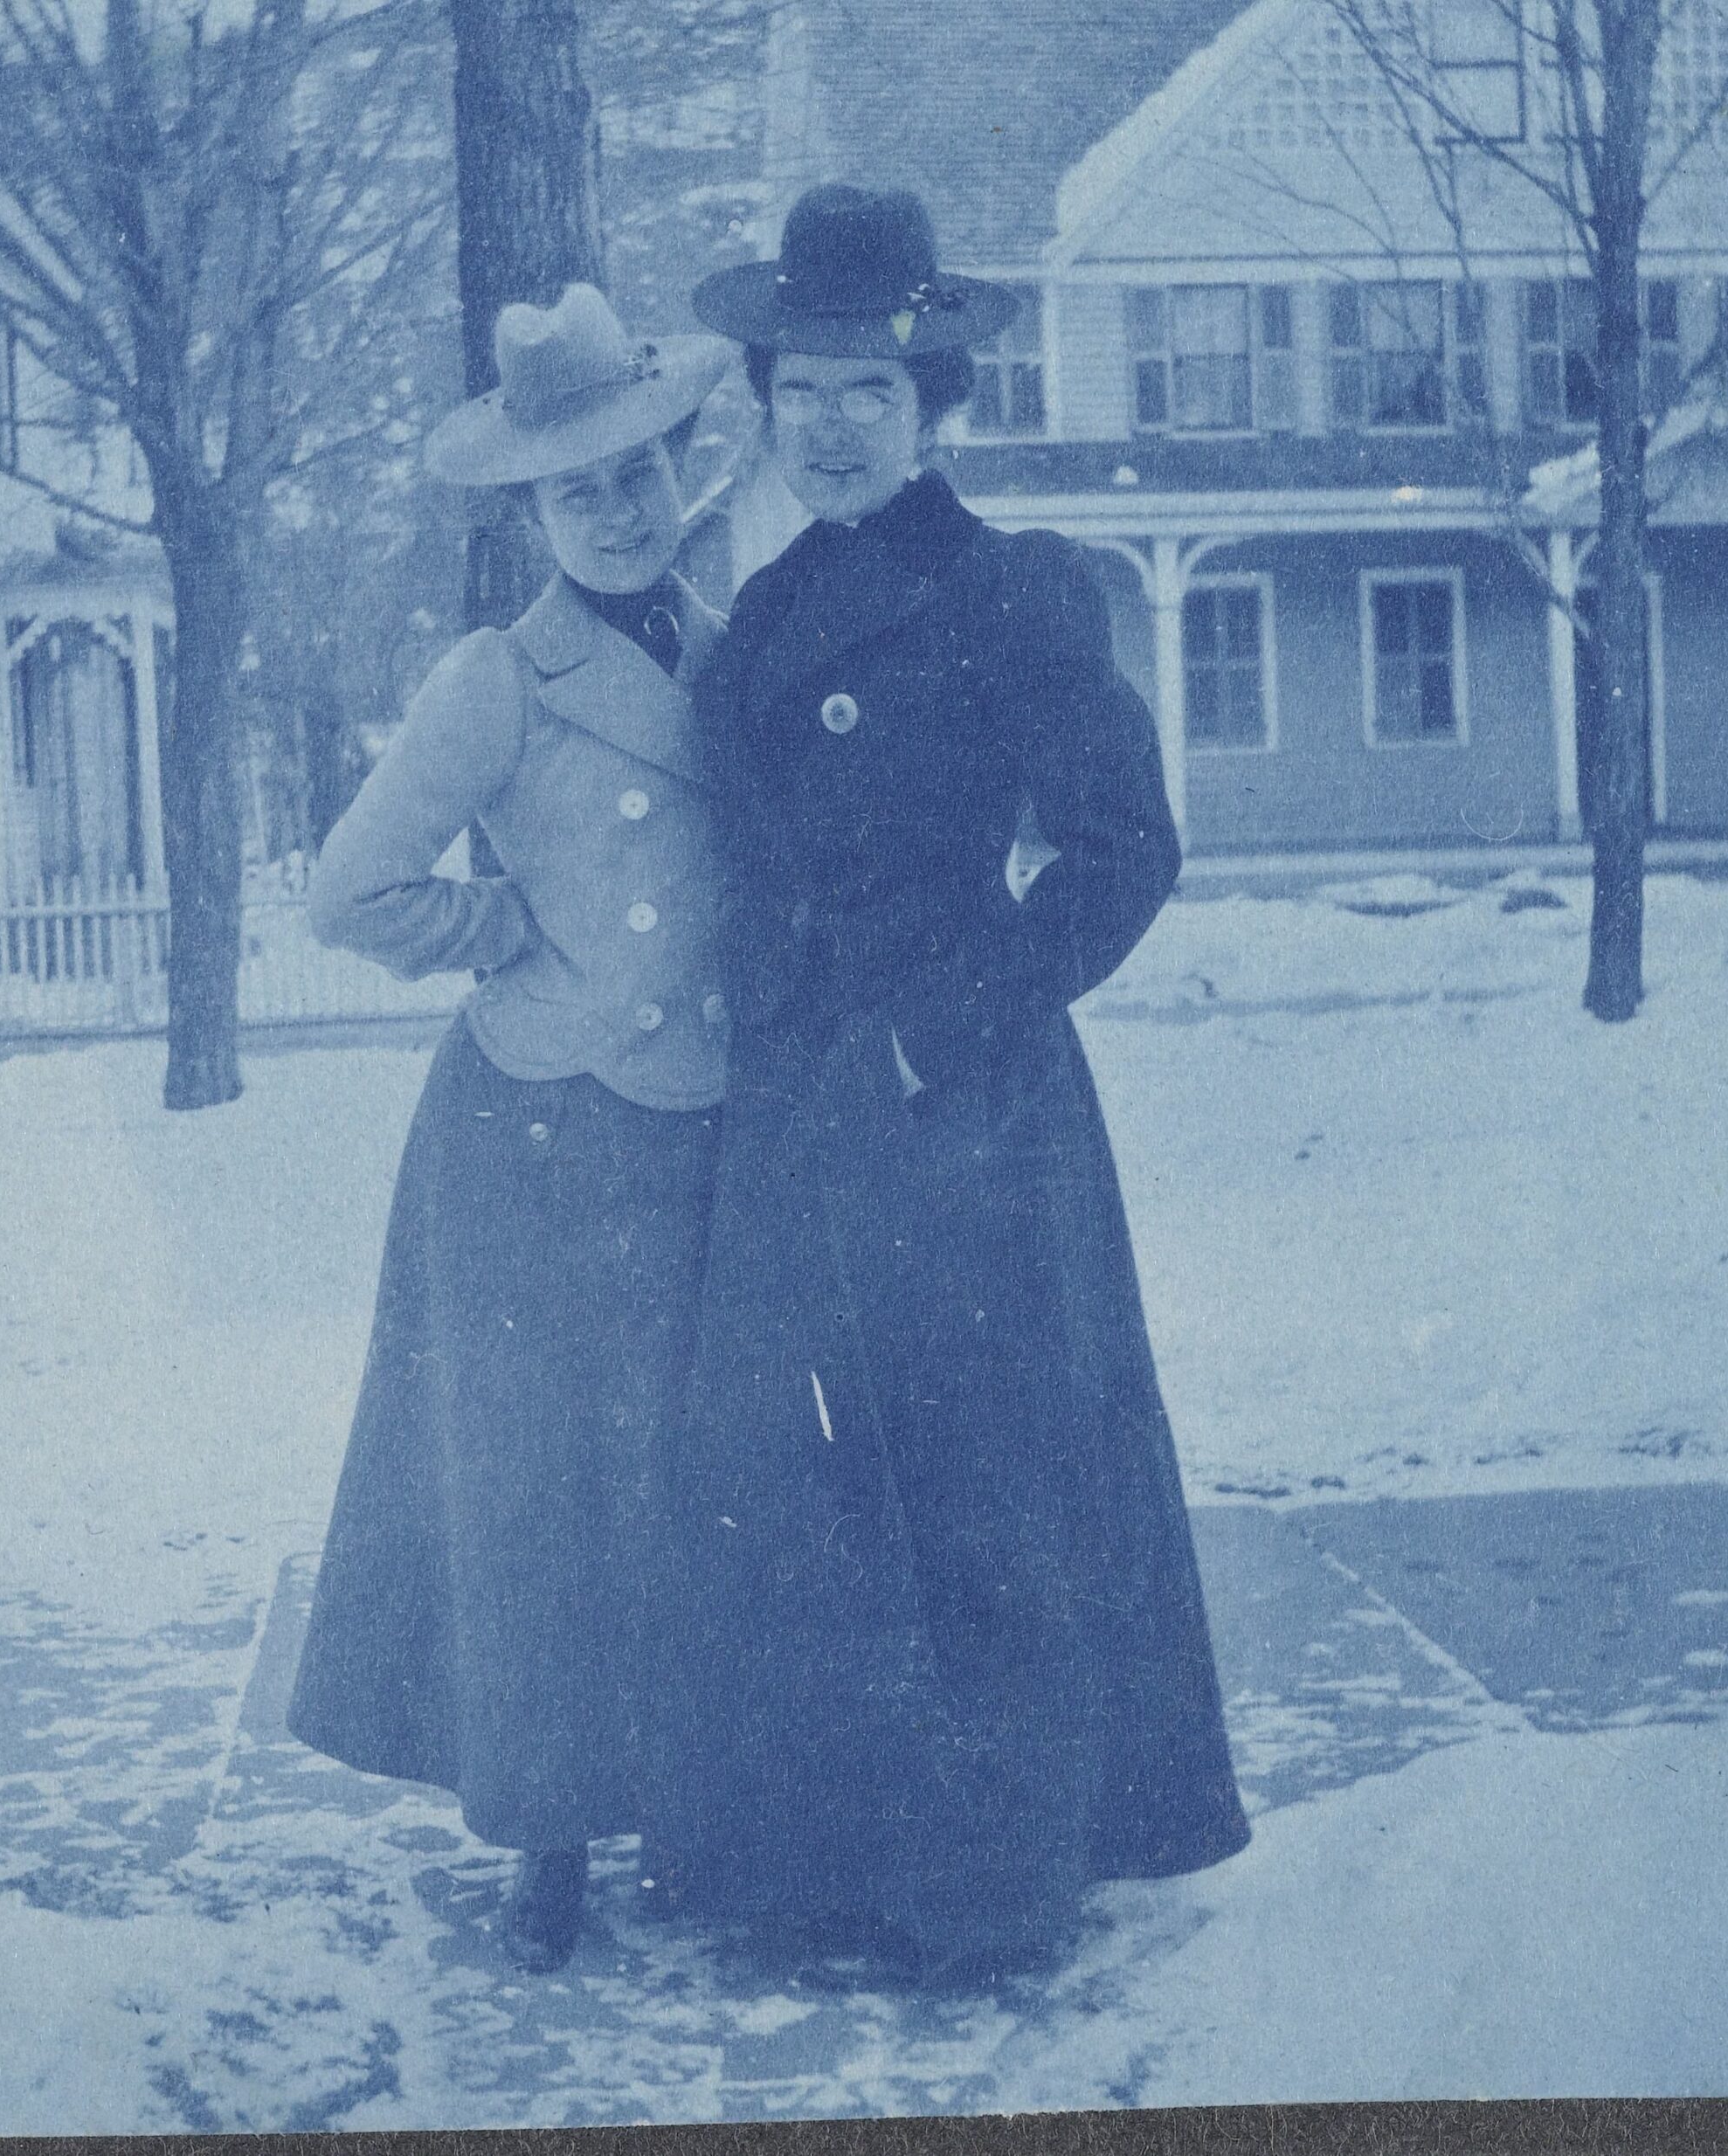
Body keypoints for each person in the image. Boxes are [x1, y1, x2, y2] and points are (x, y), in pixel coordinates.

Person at [638, 185, 1250, 1980]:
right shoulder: (759, 608)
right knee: (803, 1488)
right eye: (802, 387)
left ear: (928, 402)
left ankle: (991, 1888)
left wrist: (930, 1034)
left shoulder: (1007, 590)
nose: (831, 421)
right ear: (761, 396)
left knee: (981, 1486)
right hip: (787, 1114)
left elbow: (1122, 852)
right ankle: (824, 1868)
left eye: (869, 389)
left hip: (958, 1107)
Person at [287, 284, 735, 1974]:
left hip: (704, 1124)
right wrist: (504, 936)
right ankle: (548, 1835)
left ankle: (689, 1808)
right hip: (538, 1132)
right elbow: (350, 889)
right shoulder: (500, 675)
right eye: (576, 491)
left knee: (694, 1476)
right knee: (541, 1495)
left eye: (637, 474)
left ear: (677, 466)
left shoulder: (739, 635)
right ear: (530, 512)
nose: (616, 511)